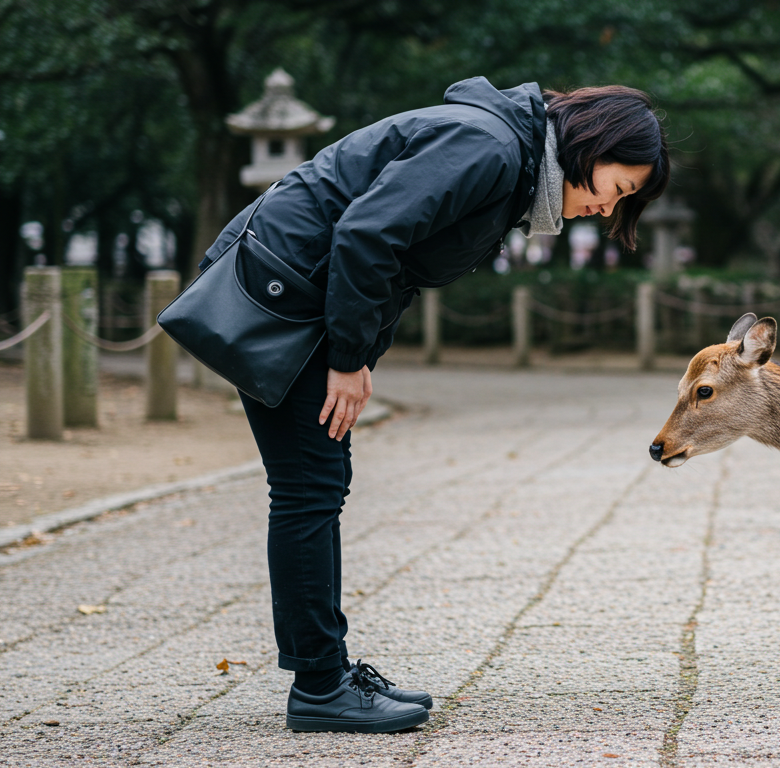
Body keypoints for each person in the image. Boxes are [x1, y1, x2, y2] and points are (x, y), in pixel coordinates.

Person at [202, 77, 669, 733]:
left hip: (302, 292)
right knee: (310, 486)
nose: (604, 209)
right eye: (616, 189)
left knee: (319, 482)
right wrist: (347, 358)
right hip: (286, 294)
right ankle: (319, 686)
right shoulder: (492, 148)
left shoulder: (510, 160)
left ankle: (327, 672)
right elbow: (367, 234)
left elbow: (391, 252)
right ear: (594, 146)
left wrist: (354, 352)